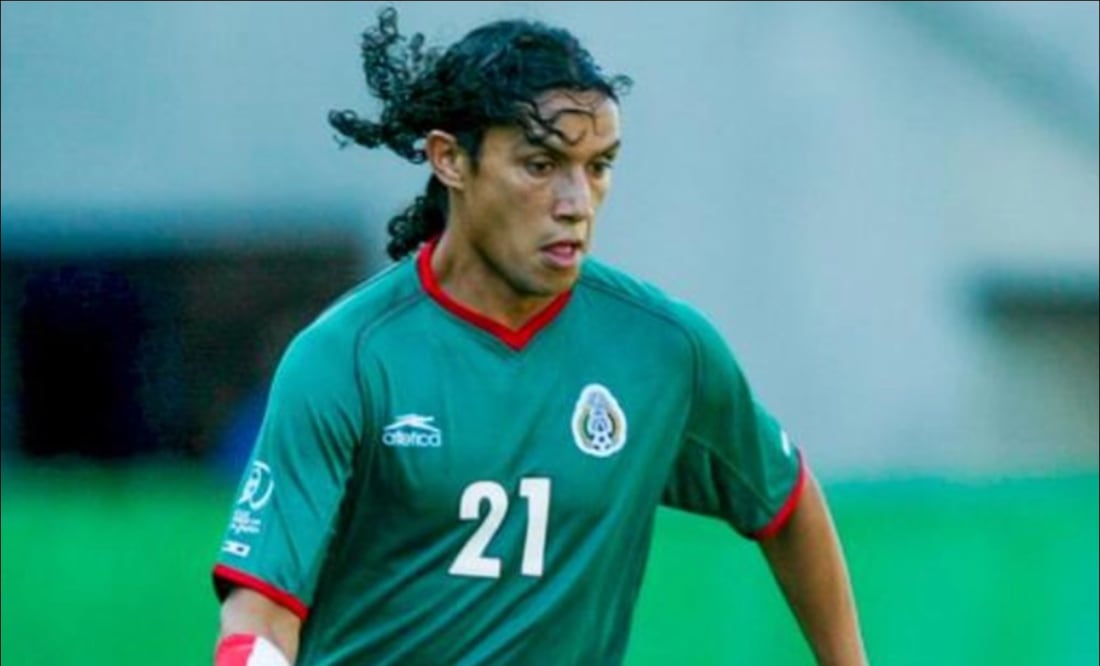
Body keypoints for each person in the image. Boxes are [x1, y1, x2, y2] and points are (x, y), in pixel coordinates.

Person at [211, 6, 867, 665]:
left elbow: (784, 498)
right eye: (541, 164)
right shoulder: (347, 358)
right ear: (450, 159)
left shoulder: (663, 351)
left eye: (598, 166)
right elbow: (260, 614)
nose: (576, 202)